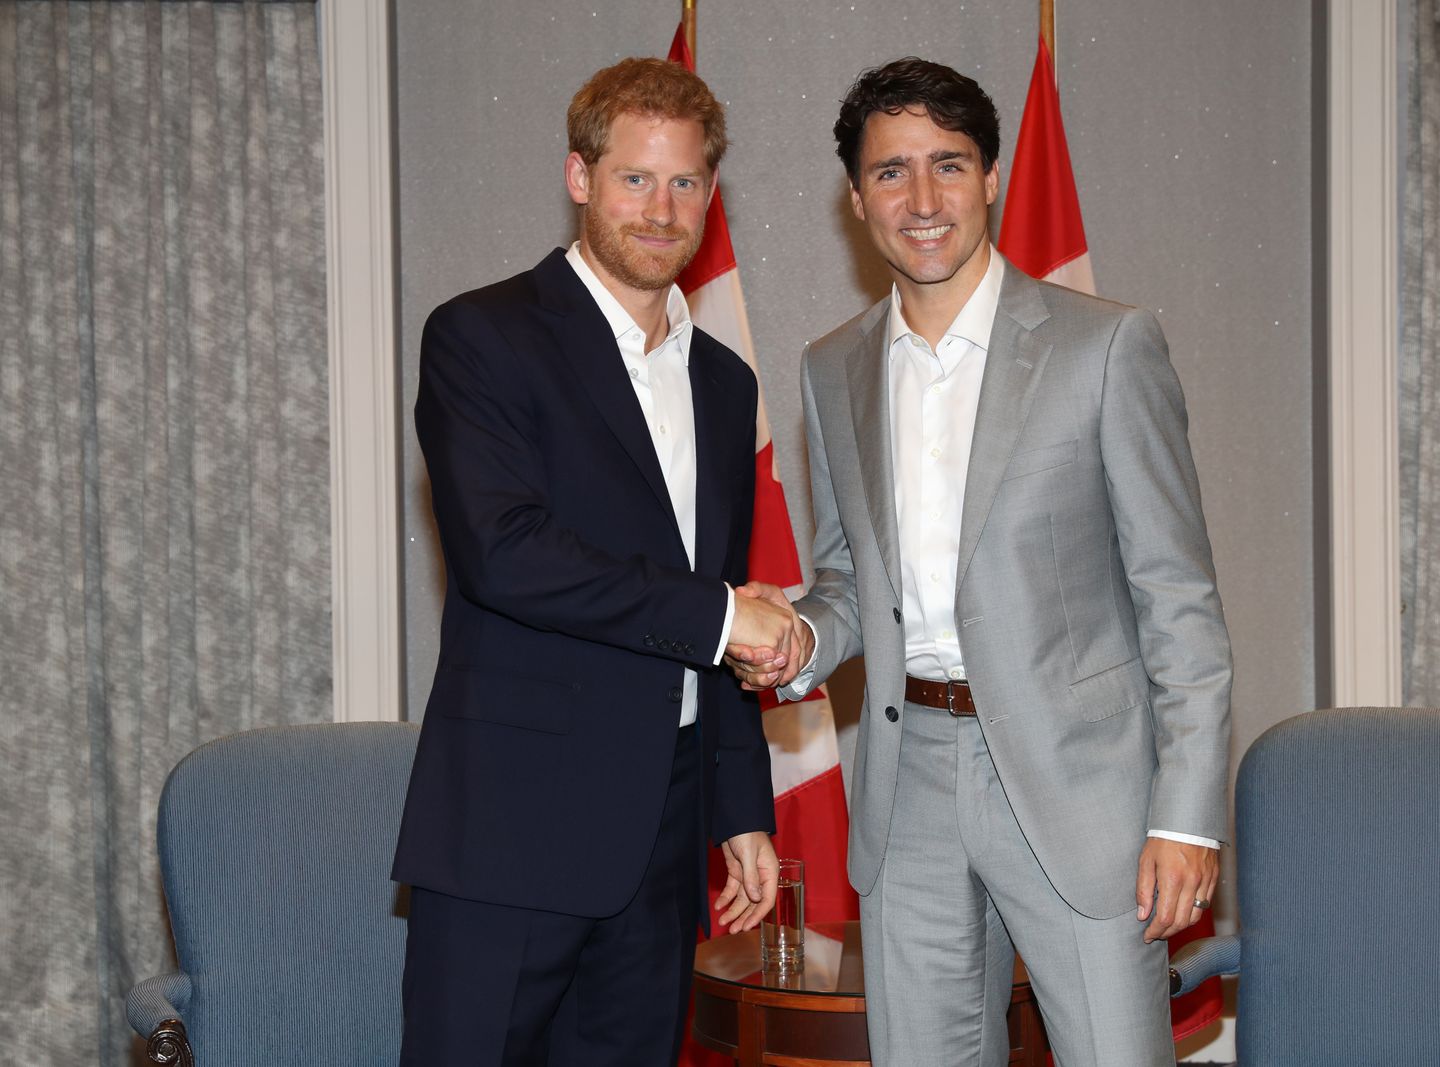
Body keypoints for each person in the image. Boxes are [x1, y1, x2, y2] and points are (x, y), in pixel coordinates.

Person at [726, 57, 1233, 1066]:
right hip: (905, 781)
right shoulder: (832, 366)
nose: (922, 201)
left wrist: (1187, 819)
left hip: (1079, 790)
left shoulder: (1105, 346)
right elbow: (846, 579)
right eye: (890, 172)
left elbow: (1177, 598)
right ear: (856, 197)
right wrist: (801, 639)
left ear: (991, 176)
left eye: (948, 165)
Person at [392, 57, 805, 1067]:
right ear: (579, 177)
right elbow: (505, 553)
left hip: (664, 835)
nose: (662, 211)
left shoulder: (722, 380)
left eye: (686, 183)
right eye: (634, 179)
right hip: (511, 825)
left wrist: (742, 808)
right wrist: (720, 615)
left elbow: (721, 588)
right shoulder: (481, 335)